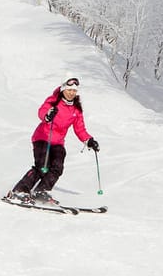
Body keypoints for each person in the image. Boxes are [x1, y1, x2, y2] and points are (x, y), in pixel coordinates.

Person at [6, 77, 99, 205]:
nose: (72, 93)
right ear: (63, 89)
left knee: (57, 167)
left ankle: (41, 191)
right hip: (42, 138)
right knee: (42, 167)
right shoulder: (54, 101)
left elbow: (80, 129)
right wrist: (48, 116)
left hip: (58, 143)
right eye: (69, 90)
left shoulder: (76, 110)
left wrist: (89, 140)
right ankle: (19, 191)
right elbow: (42, 111)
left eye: (74, 91)